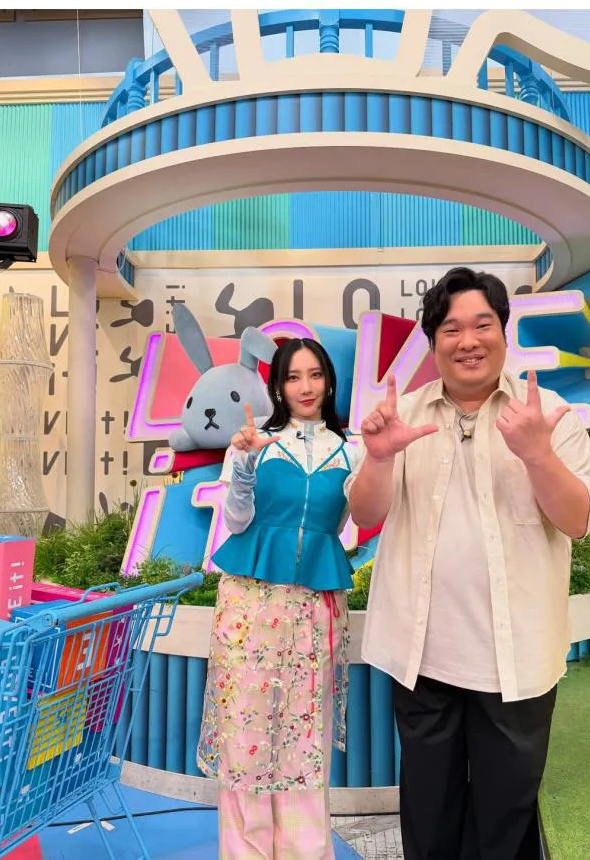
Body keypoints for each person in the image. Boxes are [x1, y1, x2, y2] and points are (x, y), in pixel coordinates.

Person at [347, 267, 590, 860]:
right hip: (422, 654)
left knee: (504, 823)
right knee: (429, 817)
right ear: (433, 341)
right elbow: (364, 512)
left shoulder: (548, 414)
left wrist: (537, 455)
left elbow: (579, 520)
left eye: (482, 325)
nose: (468, 341)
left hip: (517, 658)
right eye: (451, 329)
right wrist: (379, 459)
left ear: (503, 331)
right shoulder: (404, 414)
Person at [198, 337, 360, 860]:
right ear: (277, 387)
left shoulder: (351, 450)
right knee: (245, 732)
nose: (305, 387)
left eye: (315, 375)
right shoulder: (252, 444)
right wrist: (245, 466)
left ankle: (305, 851)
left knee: (303, 735)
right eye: (293, 377)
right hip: (249, 603)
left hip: (314, 607)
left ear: (329, 382)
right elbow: (236, 522)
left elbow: (347, 523)